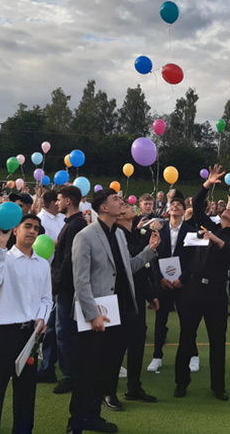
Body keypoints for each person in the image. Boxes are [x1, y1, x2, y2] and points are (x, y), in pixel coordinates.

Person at [66, 189, 160, 434]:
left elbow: (127, 267)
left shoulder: (118, 234)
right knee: (87, 371)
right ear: (104, 208)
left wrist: (148, 251)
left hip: (119, 313)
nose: (122, 202)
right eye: (117, 200)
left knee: (105, 370)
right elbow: (81, 280)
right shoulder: (85, 236)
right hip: (96, 316)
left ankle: (93, 417)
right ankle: (76, 422)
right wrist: (92, 313)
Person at [173, 165, 230, 401]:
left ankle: (218, 386)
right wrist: (208, 183)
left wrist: (216, 240)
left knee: (217, 341)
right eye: (229, 206)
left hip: (215, 293)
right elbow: (198, 203)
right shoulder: (209, 225)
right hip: (193, 290)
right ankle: (181, 382)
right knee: (186, 337)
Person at [0, 214, 52, 434]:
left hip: (29, 335)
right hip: (4, 331)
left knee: (26, 390)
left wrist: (42, 318)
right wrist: (0, 245)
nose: (32, 231)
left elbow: (47, 298)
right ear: (16, 231)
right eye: (27, 226)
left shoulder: (42, 264)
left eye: (36, 228)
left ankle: (23, 430)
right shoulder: (5, 257)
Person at [104, 199, 159, 410]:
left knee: (137, 341)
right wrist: (148, 246)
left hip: (136, 296)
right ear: (118, 215)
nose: (129, 207)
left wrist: (150, 295)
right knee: (117, 345)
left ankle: (133, 387)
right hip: (120, 297)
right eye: (125, 206)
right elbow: (130, 264)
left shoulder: (134, 234)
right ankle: (108, 391)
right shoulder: (115, 235)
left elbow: (141, 270)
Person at [148, 194, 199, 372]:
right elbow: (152, 257)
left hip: (183, 284)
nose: (175, 206)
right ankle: (157, 356)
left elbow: (194, 260)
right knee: (160, 320)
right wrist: (159, 279)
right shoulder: (159, 232)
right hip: (163, 283)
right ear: (168, 209)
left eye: (179, 204)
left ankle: (193, 354)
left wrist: (182, 279)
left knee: (188, 320)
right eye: (173, 204)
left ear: (184, 210)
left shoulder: (192, 231)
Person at [50, 185, 87, 395]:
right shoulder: (72, 224)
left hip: (67, 288)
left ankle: (70, 376)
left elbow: (69, 260)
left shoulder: (76, 225)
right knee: (62, 331)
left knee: (65, 332)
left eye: (60, 199)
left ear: (69, 201)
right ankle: (68, 372)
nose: (57, 202)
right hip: (65, 286)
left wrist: (56, 285)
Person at [36, 189, 65, 385]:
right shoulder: (40, 221)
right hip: (44, 275)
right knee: (46, 323)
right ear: (53, 202)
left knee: (53, 325)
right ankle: (45, 365)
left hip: (58, 276)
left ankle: (49, 366)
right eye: (58, 200)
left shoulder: (62, 218)